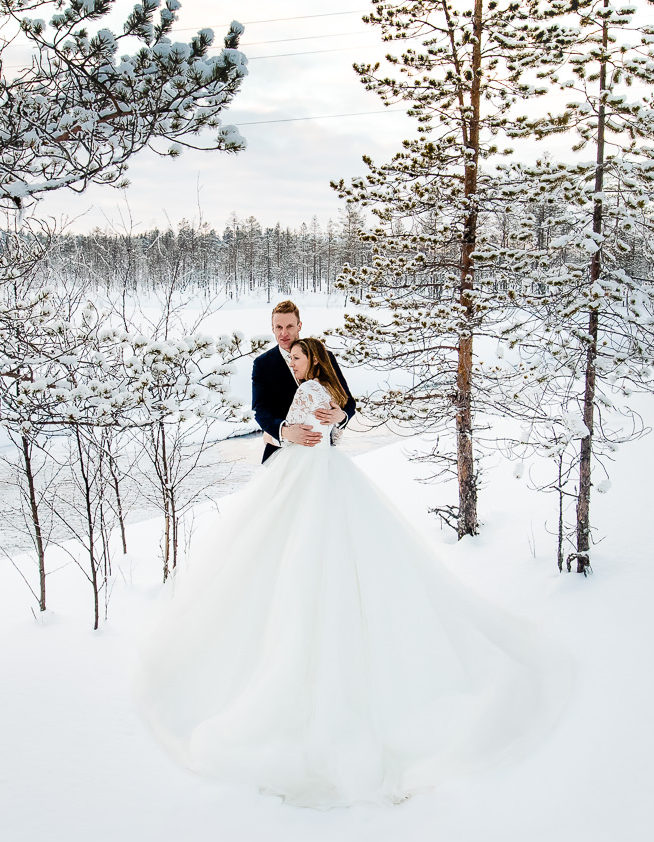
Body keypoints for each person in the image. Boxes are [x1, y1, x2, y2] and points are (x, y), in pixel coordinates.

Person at [135, 323, 571, 808]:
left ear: (308, 352)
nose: (291, 358)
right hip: (321, 469)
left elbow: (312, 429)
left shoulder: (310, 387)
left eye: (297, 353)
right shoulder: (306, 383)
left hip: (304, 473)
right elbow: (313, 421)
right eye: (288, 350)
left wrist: (300, 428)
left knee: (291, 558)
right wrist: (318, 421)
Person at [250, 299, 356, 463]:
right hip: (280, 456)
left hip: (321, 455)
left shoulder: (324, 357)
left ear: (299, 326)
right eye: (279, 327)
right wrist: (284, 432)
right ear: (272, 328)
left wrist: (341, 416)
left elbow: (348, 401)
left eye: (290, 326)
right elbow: (260, 410)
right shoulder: (263, 363)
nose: (284, 333)